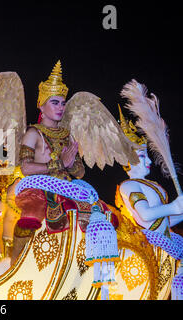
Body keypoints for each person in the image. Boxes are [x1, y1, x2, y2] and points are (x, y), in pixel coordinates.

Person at [12, 61, 115, 262]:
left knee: (100, 213)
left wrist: (72, 163)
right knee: (30, 219)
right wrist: (60, 164)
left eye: (63, 103)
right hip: (40, 188)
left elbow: (79, 172)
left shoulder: (67, 136)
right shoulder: (33, 133)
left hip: (67, 187)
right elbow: (25, 168)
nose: (61, 107)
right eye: (55, 102)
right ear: (41, 104)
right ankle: (16, 263)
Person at [116, 106, 183, 299]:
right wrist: (173, 206)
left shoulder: (154, 185)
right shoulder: (128, 186)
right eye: (143, 157)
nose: (149, 162)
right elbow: (144, 215)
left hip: (165, 246)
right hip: (147, 249)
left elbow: (164, 221)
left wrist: (180, 211)